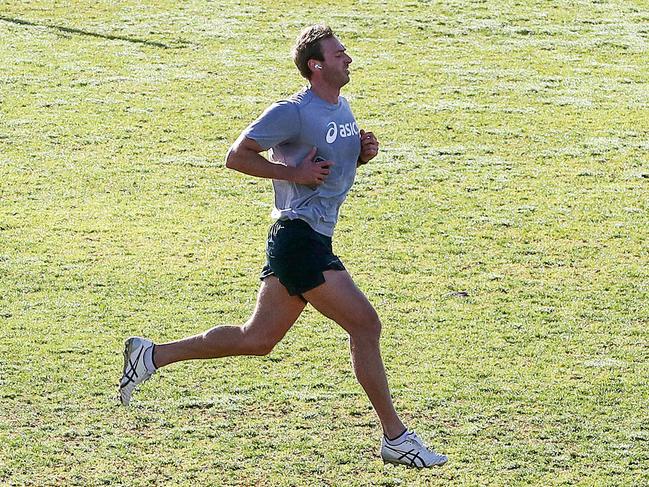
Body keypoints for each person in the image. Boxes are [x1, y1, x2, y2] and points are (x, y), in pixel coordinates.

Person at [119, 24, 447, 469]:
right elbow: (237, 155)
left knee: (257, 339)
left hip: (307, 237)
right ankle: (396, 437)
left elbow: (330, 165)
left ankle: (151, 355)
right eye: (338, 54)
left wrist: (363, 152)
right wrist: (292, 176)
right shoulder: (292, 111)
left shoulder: (341, 107)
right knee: (366, 326)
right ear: (316, 65)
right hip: (299, 239)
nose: (347, 59)